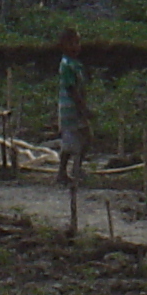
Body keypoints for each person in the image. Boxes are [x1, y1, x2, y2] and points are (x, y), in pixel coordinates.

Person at [53, 26, 91, 186]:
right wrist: (83, 108)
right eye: (72, 43)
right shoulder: (67, 65)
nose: (76, 46)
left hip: (75, 109)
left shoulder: (75, 64)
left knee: (84, 138)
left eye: (77, 42)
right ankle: (67, 171)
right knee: (73, 141)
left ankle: (73, 169)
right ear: (63, 45)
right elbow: (72, 89)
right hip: (70, 110)